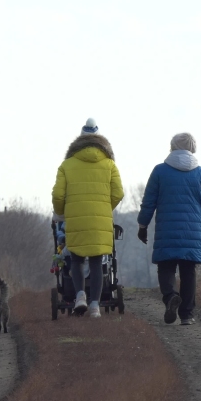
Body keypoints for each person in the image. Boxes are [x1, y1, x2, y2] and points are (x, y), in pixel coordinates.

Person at [137, 132, 201, 325]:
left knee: (165, 267)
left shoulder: (159, 171)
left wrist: (143, 225)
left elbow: (148, 202)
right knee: (188, 271)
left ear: (172, 147)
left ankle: (170, 297)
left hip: (167, 231)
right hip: (193, 233)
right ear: (193, 148)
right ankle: (187, 315)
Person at [52, 118, 124, 318]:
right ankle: (94, 306)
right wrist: (104, 208)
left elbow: (58, 195)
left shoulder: (66, 165)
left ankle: (80, 295)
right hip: (100, 220)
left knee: (75, 259)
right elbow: (118, 193)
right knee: (96, 260)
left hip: (75, 219)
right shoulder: (110, 165)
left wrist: (61, 213)